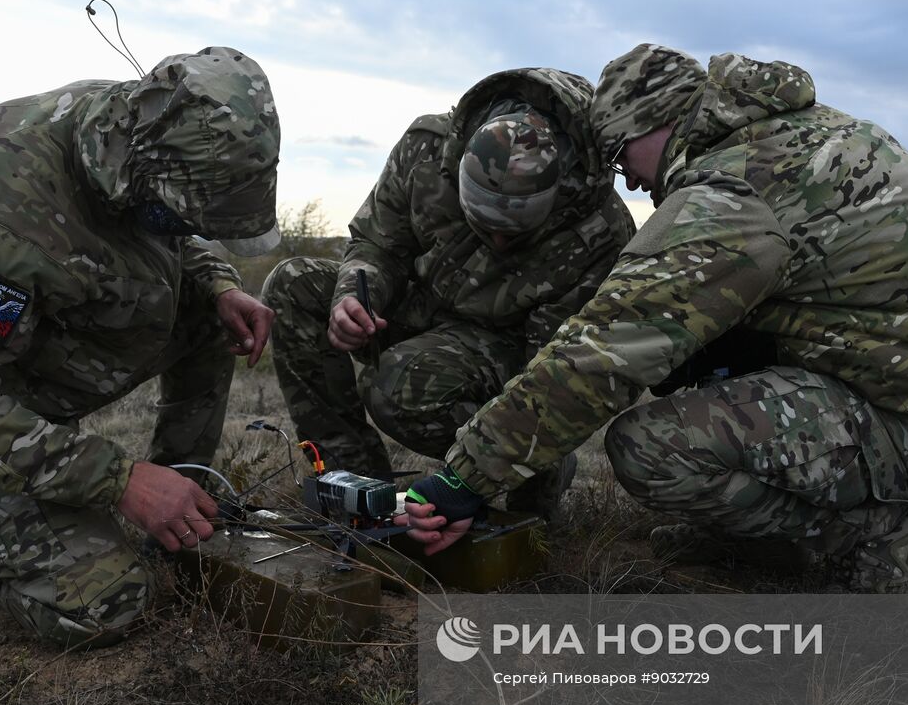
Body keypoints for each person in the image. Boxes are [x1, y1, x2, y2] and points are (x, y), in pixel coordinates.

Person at [400, 44, 908, 593]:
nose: (626, 176)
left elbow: (600, 353)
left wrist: (465, 478)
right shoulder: (799, 134)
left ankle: (876, 533)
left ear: (655, 125)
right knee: (698, 372)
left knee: (649, 447)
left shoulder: (732, 193)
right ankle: (790, 531)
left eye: (623, 155)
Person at [0, 47, 281, 647]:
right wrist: (119, 481)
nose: (187, 231)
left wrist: (218, 287)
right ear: (143, 175)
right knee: (103, 601)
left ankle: (180, 488)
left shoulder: (142, 122)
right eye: (183, 216)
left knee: (210, 318)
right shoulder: (1, 213)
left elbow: (170, 233)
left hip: (24, 365)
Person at [261, 68, 634, 513]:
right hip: (423, 302)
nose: (495, 244)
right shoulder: (425, 149)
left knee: (398, 386)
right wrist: (354, 296)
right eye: (483, 226)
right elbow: (378, 243)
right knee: (292, 285)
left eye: (511, 235)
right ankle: (354, 486)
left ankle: (535, 472)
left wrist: (481, 475)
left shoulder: (600, 231)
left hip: (506, 345)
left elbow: (556, 368)